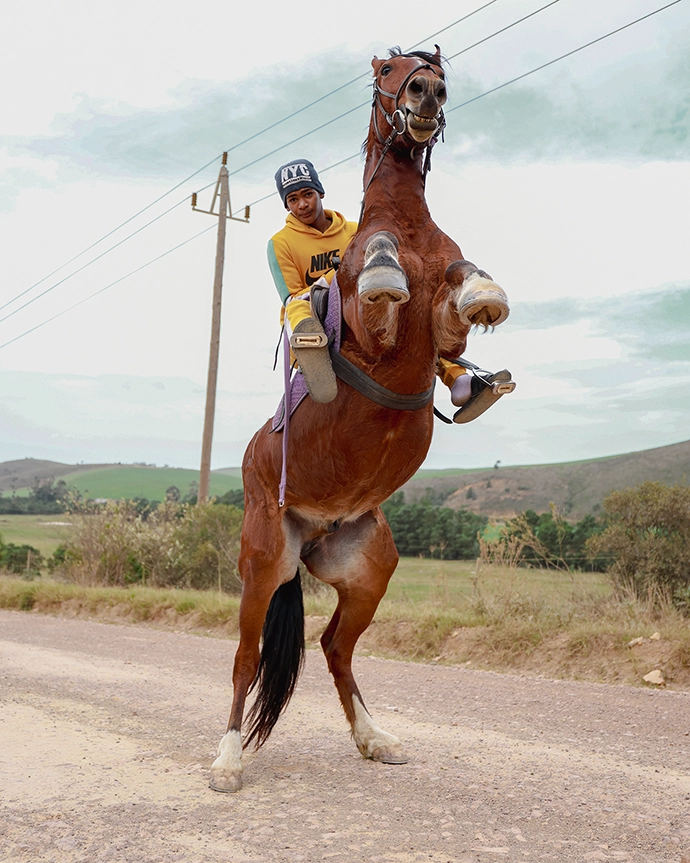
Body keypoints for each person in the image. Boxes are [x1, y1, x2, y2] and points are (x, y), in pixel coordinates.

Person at [267, 158, 514, 417]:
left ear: (320, 193)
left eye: (307, 194)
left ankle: (458, 379)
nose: (302, 204)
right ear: (286, 204)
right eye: (293, 199)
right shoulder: (280, 243)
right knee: (297, 305)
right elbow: (291, 295)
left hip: (359, 306)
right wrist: (337, 277)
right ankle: (310, 349)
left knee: (412, 308)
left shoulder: (355, 230)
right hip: (318, 308)